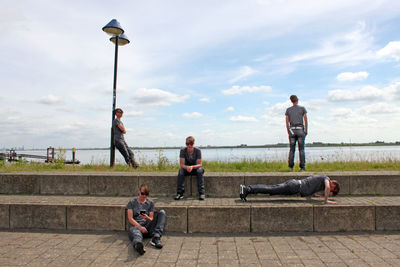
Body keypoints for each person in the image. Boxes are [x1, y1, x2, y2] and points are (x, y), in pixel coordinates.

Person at [239, 174, 340, 204]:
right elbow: (327, 187)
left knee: (272, 189)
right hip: (295, 186)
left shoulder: (321, 184)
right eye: (333, 190)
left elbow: (312, 188)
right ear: (333, 184)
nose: (330, 190)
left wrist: (318, 195)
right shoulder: (326, 179)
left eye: (332, 192)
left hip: (295, 186)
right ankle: (247, 189)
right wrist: (326, 200)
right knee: (271, 189)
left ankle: (247, 190)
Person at [126, 184, 166, 255]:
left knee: (162, 212)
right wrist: (140, 227)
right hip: (136, 226)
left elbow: (151, 219)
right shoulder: (132, 202)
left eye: (146, 194)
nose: (144, 196)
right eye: (142, 193)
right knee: (136, 233)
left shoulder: (150, 203)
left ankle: (156, 237)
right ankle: (138, 245)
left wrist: (146, 217)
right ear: (139, 192)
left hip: (147, 226)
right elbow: (130, 218)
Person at [174, 136, 205, 200]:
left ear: (193, 144)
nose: (189, 145)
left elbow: (200, 164)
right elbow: (182, 164)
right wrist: (187, 167)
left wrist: (192, 167)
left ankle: (201, 193)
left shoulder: (198, 150)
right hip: (186, 168)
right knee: (181, 171)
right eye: (187, 144)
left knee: (200, 171)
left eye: (191, 144)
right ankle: (180, 193)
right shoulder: (183, 150)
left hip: (196, 168)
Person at [285, 95, 308, 171]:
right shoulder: (302, 109)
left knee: (292, 149)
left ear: (291, 101)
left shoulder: (288, 110)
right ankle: (302, 167)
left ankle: (290, 167)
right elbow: (305, 120)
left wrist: (288, 131)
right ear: (297, 100)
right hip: (300, 129)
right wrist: (306, 130)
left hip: (292, 130)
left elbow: (287, 122)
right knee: (301, 149)